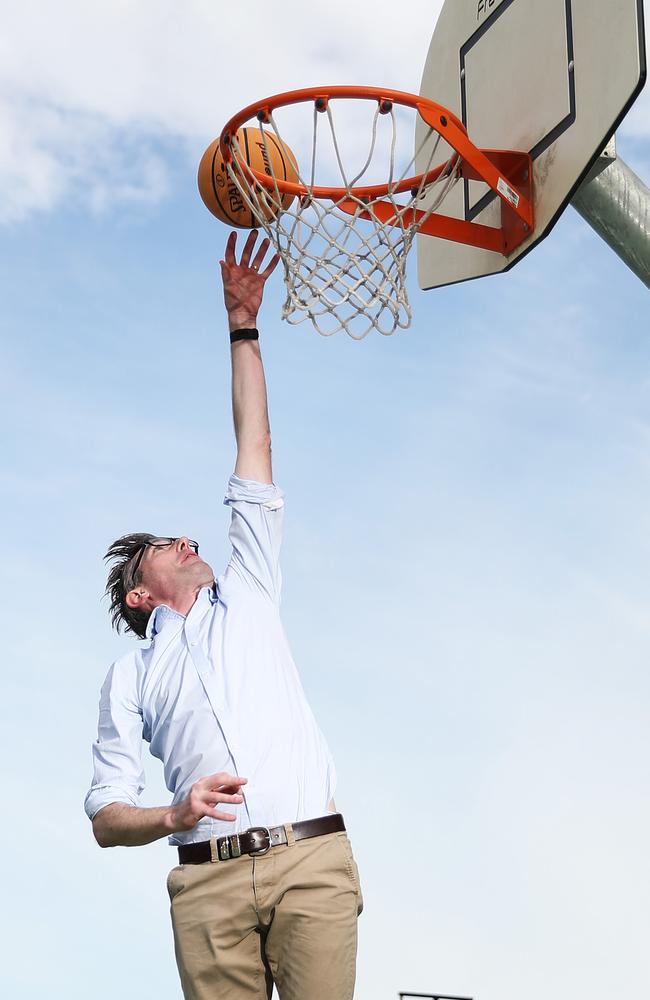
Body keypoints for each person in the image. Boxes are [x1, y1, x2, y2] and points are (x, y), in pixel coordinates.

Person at [84, 230, 363, 1000]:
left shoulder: (250, 587)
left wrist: (244, 325)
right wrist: (174, 810)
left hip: (311, 861)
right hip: (207, 886)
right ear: (140, 595)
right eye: (161, 547)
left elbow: (256, 445)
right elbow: (106, 816)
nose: (187, 539)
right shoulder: (129, 674)